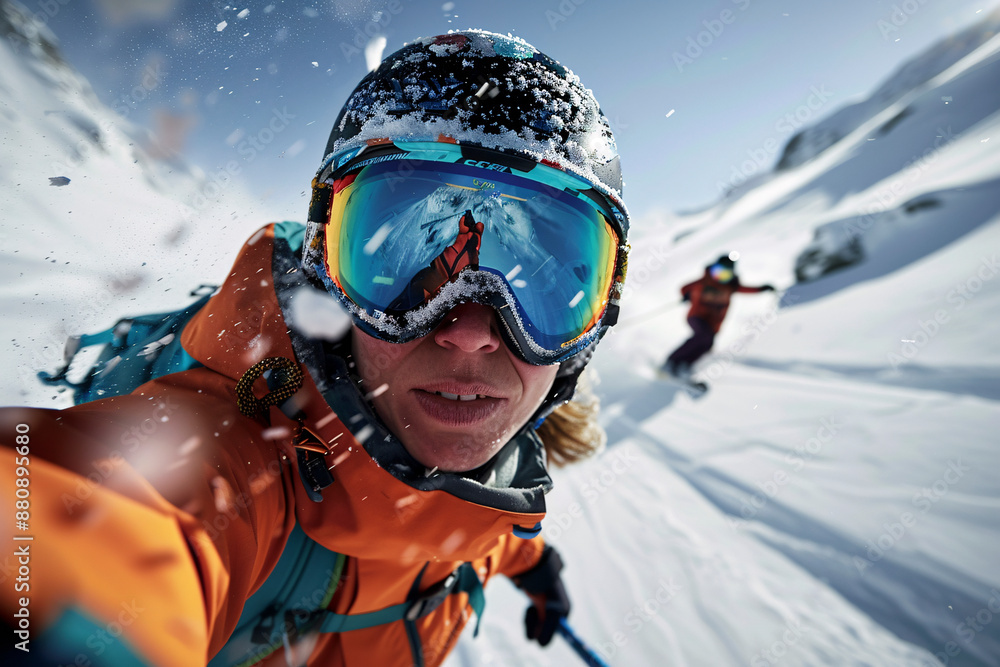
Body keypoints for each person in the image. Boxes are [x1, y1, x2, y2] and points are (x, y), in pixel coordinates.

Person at [0, 30, 629, 667]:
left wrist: (530, 559)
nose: (469, 329)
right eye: (398, 260)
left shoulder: (499, 481)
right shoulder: (232, 459)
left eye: (541, 278)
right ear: (327, 277)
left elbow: (460, 504)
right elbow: (95, 516)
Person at [662, 254, 773, 377]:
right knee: (702, 335)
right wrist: (687, 295)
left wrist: (762, 289)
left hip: (713, 323)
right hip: (697, 316)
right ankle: (671, 362)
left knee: (707, 344)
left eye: (725, 274)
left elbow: (746, 289)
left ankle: (685, 365)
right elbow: (684, 288)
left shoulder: (730, 286)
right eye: (718, 272)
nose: (720, 277)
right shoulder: (704, 281)